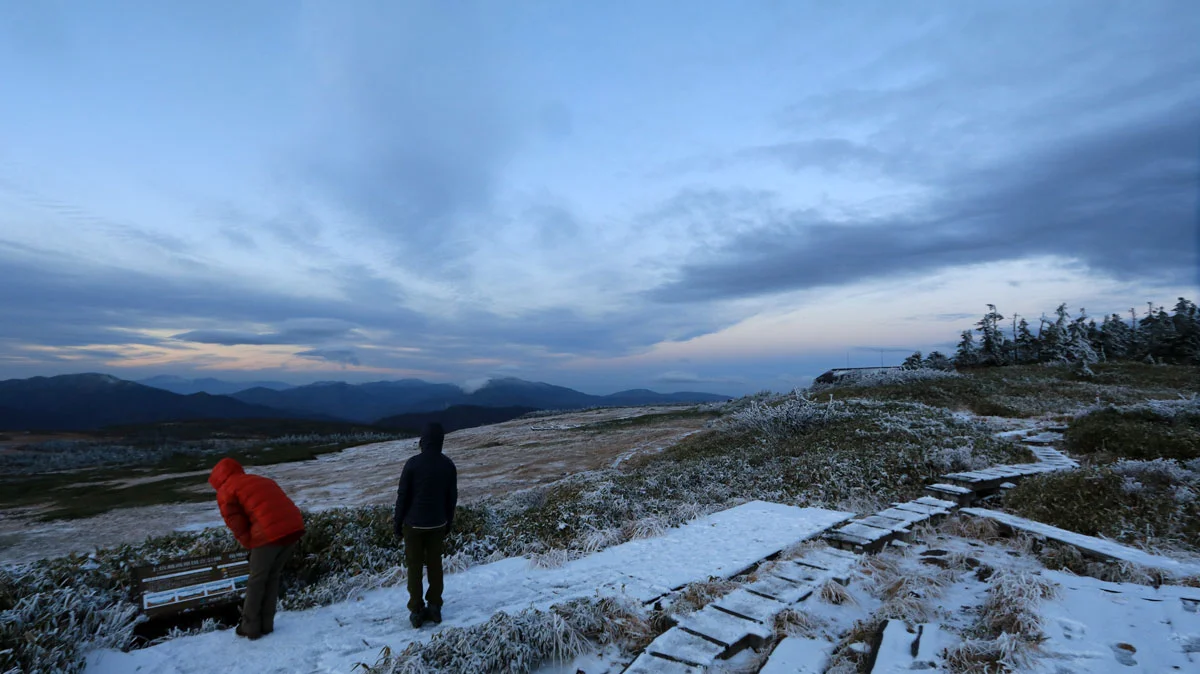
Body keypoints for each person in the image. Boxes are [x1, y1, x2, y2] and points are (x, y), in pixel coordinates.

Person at [208, 457, 305, 640]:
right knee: (272, 577)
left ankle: (250, 627)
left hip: (269, 534)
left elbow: (236, 524)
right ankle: (266, 625)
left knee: (256, 581)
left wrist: (250, 544)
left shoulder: (226, 490)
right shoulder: (260, 479)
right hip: (294, 528)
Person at [394, 422, 458, 628]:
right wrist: (448, 521)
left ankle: (416, 610)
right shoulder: (448, 465)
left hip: (413, 525)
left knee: (414, 568)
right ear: (440, 441)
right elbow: (452, 498)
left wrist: (397, 523)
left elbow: (402, 496)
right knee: (435, 566)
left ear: (423, 440)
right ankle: (435, 607)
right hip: (438, 523)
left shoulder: (412, 464)